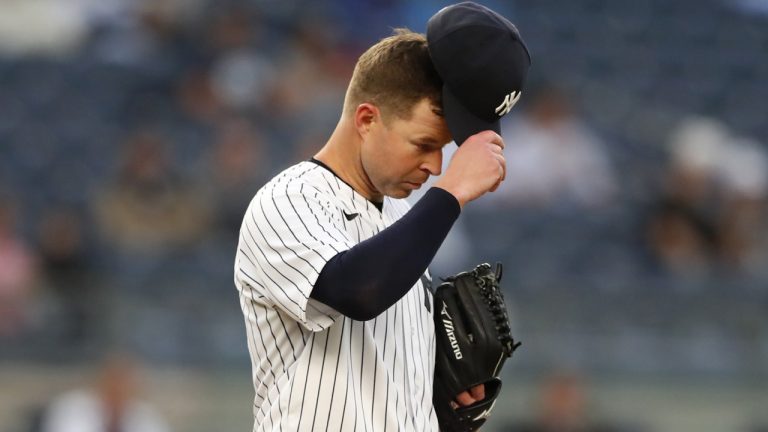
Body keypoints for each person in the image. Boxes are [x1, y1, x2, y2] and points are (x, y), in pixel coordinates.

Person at [234, 3, 530, 431]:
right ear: (367, 119)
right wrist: (451, 195)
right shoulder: (288, 199)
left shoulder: (401, 219)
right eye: (424, 143)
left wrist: (447, 411)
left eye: (443, 149)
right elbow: (358, 291)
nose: (435, 166)